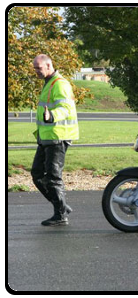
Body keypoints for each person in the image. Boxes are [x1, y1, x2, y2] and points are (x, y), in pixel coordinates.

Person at [31, 54, 79, 226]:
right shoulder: (48, 84)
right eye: (35, 68)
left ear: (49, 65)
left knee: (53, 176)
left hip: (58, 137)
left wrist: (51, 115)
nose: (36, 71)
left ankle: (60, 214)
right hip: (47, 138)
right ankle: (62, 207)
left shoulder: (60, 84)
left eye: (38, 68)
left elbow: (65, 108)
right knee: (37, 174)